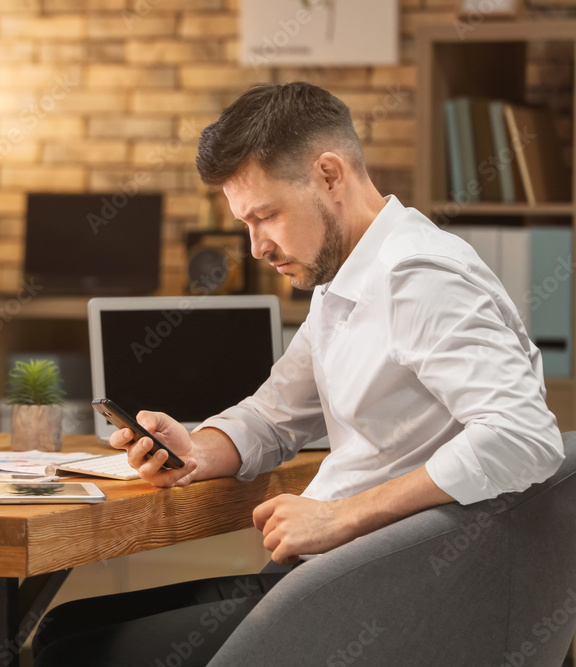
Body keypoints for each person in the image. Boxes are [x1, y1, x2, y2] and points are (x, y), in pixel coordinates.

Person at [31, 81, 565, 666]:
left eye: (266, 216)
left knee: (78, 654)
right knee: (62, 629)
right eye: (245, 223)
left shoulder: (418, 277)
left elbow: (523, 436)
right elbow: (274, 413)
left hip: (391, 595)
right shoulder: (342, 278)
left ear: (330, 176)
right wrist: (199, 450)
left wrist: (342, 514)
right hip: (334, 574)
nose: (256, 247)